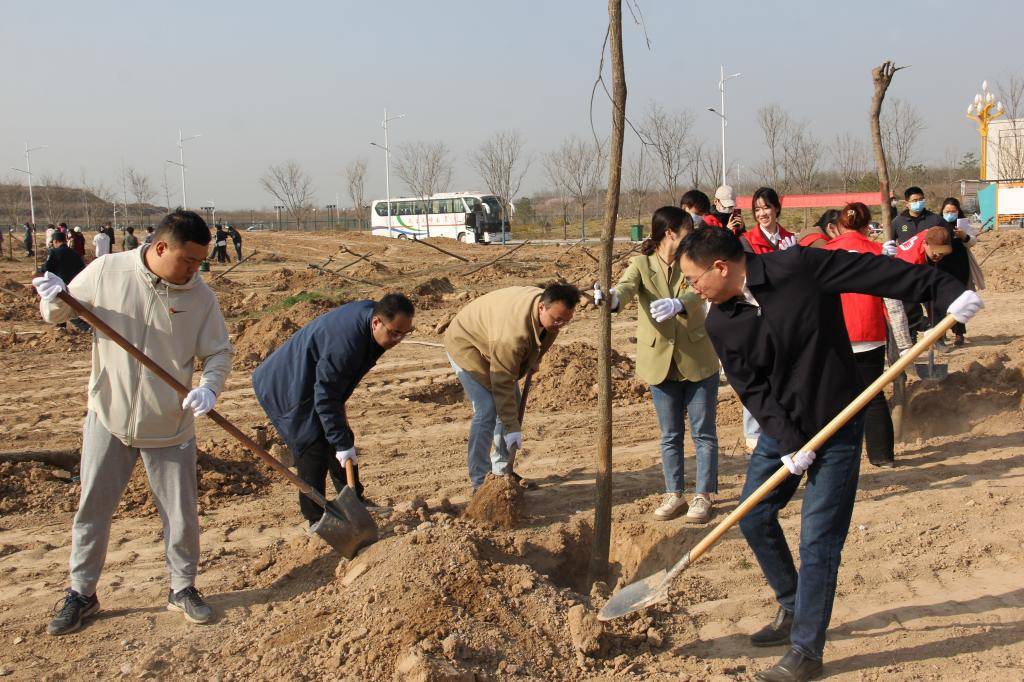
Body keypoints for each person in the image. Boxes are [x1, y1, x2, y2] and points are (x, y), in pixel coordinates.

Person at [677, 227, 981, 681]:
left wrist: (947, 290)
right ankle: (793, 604)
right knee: (754, 516)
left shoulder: (797, 267)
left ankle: (806, 650)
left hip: (838, 419)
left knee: (818, 540)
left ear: (721, 266)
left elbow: (876, 272)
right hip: (784, 435)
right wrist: (787, 441)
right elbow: (752, 388)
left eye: (693, 278)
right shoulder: (720, 320)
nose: (691, 289)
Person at [32, 209, 233, 635]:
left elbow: (217, 352)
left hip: (170, 424)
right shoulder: (108, 271)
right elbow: (57, 314)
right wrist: (54, 296)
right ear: (161, 248)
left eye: (201, 261)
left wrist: (209, 387)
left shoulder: (200, 298)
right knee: (93, 509)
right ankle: (81, 593)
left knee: (181, 515)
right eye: (190, 261)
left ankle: (182, 587)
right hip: (110, 414)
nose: (196, 270)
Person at [595, 207, 721, 522]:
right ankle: (674, 493)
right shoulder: (641, 265)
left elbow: (700, 290)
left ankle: (702, 496)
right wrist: (610, 299)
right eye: (687, 228)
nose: (692, 233)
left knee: (703, 433)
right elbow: (624, 290)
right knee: (670, 434)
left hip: (697, 360)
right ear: (670, 233)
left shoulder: (693, 261)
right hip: (660, 364)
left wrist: (682, 302)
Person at [252, 294, 415, 525]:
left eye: (405, 333)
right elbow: (326, 397)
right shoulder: (347, 344)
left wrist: (342, 439)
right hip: (284, 384)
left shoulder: (371, 323)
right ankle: (316, 519)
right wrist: (341, 444)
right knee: (312, 445)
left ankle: (352, 501)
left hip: (314, 375)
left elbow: (334, 389)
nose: (398, 339)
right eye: (394, 333)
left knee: (340, 436)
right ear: (377, 322)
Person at [444, 283, 580, 491]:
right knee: (487, 408)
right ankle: (480, 481)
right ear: (542, 307)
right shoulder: (512, 335)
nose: (560, 325)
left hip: (492, 339)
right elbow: (502, 381)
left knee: (510, 405)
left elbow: (544, 337)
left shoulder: (548, 313)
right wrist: (512, 427)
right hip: (467, 343)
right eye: (557, 319)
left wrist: (535, 358)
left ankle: (501, 472)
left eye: (565, 321)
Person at [822, 203, 912, 468]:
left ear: (839, 224)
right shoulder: (877, 252)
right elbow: (893, 303)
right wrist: (905, 345)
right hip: (869, 331)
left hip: (836, 334)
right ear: (867, 225)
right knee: (872, 396)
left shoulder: (827, 254)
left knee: (833, 398)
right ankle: (882, 455)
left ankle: (835, 456)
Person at [936, 197, 977, 346]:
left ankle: (959, 333)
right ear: (942, 211)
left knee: (959, 301)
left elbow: (972, 241)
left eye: (953, 211)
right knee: (940, 301)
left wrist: (964, 236)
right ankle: (940, 333)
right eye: (947, 211)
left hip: (960, 267)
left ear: (958, 211)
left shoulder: (963, 224)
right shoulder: (938, 223)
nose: (950, 214)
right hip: (941, 266)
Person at [743, 187, 798, 254]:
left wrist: (795, 257)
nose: (762, 214)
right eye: (757, 210)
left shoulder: (790, 239)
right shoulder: (746, 241)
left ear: (777, 208)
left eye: (766, 208)